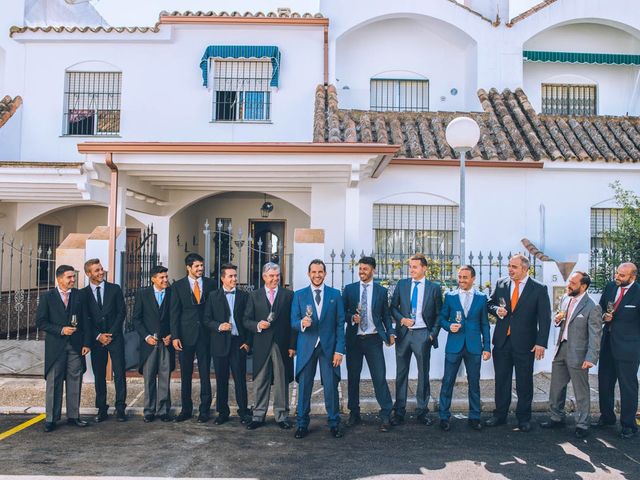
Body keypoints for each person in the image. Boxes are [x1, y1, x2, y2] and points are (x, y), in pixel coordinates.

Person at [486, 254, 551, 432]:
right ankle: (499, 415)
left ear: (525, 269)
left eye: (514, 267)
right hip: (502, 341)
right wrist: (497, 310)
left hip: (525, 343)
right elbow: (489, 303)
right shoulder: (501, 283)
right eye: (509, 266)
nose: (510, 269)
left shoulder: (538, 288)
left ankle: (523, 418)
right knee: (501, 380)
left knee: (524, 382)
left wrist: (541, 343)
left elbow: (545, 319)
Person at [540, 271, 601, 438]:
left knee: (580, 390)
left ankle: (582, 424)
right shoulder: (566, 299)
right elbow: (561, 320)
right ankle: (556, 417)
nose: (569, 285)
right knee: (556, 387)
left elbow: (595, 334)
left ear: (583, 286)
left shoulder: (592, 306)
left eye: (573, 283)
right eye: (569, 282)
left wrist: (591, 357)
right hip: (562, 348)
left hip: (580, 354)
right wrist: (558, 320)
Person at [291, 259, 345, 439]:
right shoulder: (299, 295)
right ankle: (301, 424)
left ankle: (334, 423)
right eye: (313, 272)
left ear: (325, 273)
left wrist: (339, 350)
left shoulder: (335, 294)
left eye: (320, 272)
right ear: (308, 274)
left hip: (329, 348)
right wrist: (302, 324)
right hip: (307, 347)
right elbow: (293, 321)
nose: (317, 275)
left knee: (331, 387)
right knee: (304, 387)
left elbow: (339, 324)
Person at [37, 264, 92, 432]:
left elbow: (86, 321)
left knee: (75, 380)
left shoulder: (79, 296)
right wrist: (61, 330)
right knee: (54, 382)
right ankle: (51, 419)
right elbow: (41, 322)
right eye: (69, 277)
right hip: (56, 347)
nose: (73, 280)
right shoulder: (47, 297)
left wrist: (87, 343)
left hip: (76, 346)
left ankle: (73, 416)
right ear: (59, 278)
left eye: (73, 277)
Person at [343, 256, 395, 432]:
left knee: (379, 377)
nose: (362, 272)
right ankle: (354, 413)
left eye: (365, 269)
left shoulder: (381, 291)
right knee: (353, 378)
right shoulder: (349, 290)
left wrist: (391, 333)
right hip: (354, 340)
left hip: (373, 339)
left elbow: (386, 315)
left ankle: (386, 414)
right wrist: (351, 317)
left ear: (373, 270)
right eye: (360, 269)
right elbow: (342, 313)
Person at [243, 262, 296, 430]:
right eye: (271, 276)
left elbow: (292, 322)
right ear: (264, 277)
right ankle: (258, 415)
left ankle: (282, 415)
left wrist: (292, 345)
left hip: (281, 344)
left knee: (282, 380)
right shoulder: (254, 296)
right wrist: (258, 325)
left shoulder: (289, 295)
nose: (275, 279)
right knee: (260, 380)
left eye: (277, 276)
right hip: (261, 343)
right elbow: (246, 320)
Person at [390, 253, 442, 426]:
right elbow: (393, 308)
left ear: (424, 268)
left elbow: (438, 314)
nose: (411, 270)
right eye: (410, 267)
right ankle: (399, 411)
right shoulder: (402, 284)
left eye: (415, 267)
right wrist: (402, 320)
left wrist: (432, 334)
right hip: (404, 334)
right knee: (401, 374)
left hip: (422, 335)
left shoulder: (434, 288)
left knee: (423, 374)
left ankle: (422, 411)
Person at [438, 266, 491, 432]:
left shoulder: (482, 298)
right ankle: (444, 417)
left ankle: (474, 417)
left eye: (465, 277)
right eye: (459, 277)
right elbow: (441, 318)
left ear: (473, 278)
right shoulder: (450, 296)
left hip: (474, 346)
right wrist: (448, 326)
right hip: (454, 345)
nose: (461, 281)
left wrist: (487, 347)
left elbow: (485, 324)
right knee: (447, 382)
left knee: (474, 383)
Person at [594, 262, 639, 439]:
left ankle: (628, 425)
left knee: (628, 386)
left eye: (622, 275)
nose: (617, 277)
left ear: (632, 277)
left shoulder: (638, 292)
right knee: (604, 382)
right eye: (617, 274)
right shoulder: (611, 287)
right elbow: (601, 308)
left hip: (629, 348)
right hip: (607, 343)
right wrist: (605, 316)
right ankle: (607, 417)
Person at [203, 263, 251, 425]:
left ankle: (244, 412)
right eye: (230, 276)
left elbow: (248, 321)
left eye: (235, 276)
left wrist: (247, 342)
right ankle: (222, 412)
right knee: (221, 379)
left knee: (240, 379)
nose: (234, 279)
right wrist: (218, 326)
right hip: (219, 343)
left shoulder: (244, 297)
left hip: (238, 344)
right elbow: (206, 319)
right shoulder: (213, 296)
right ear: (223, 278)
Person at [170, 253, 216, 423]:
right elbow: (174, 313)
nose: (200, 269)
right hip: (185, 335)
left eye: (201, 266)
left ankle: (205, 410)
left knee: (205, 373)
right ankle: (186, 409)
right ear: (188, 267)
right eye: (197, 266)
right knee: (186, 374)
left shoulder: (211, 284)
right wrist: (175, 336)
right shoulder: (178, 286)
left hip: (205, 335)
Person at [82, 258, 127, 422]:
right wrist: (98, 336)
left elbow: (121, 313)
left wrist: (110, 334)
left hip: (115, 338)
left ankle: (121, 408)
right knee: (99, 375)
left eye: (101, 269)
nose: (101, 272)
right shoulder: (83, 294)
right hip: (96, 340)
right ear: (88, 274)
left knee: (120, 373)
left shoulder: (114, 289)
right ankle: (101, 408)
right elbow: (84, 319)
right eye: (97, 270)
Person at [132, 265, 175, 422]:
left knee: (165, 377)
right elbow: (136, 319)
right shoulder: (143, 294)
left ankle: (163, 410)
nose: (165, 280)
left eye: (166, 276)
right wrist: (146, 337)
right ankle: (149, 410)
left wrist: (171, 334)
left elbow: (175, 316)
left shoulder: (172, 294)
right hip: (149, 343)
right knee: (149, 377)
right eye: (161, 277)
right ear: (153, 279)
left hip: (166, 343)